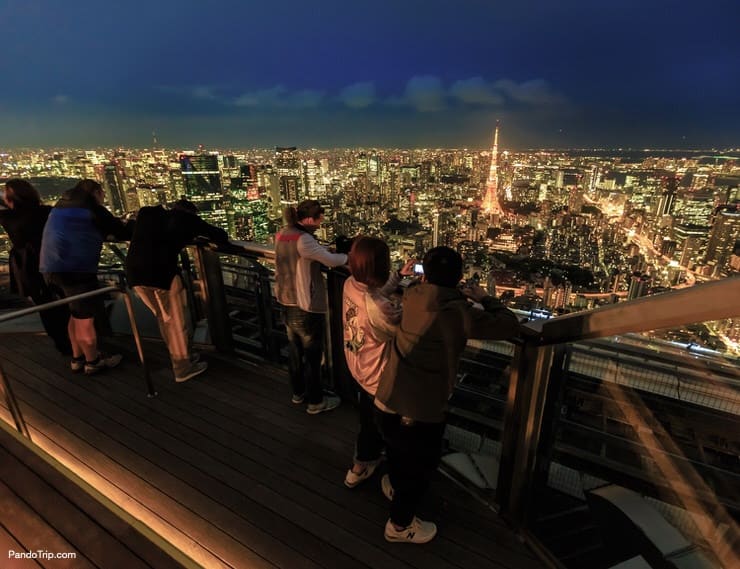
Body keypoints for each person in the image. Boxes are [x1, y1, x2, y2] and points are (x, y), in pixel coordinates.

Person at [374, 246, 521, 544]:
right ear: (457, 279)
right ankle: (399, 526)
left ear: (425, 275)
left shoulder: (411, 294)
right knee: (420, 468)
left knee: (398, 455)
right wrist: (483, 297)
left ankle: (394, 486)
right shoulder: (459, 313)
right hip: (418, 412)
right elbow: (508, 324)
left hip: (385, 397)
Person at [125, 199, 229, 382]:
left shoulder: (148, 215)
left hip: (134, 276)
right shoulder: (188, 220)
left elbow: (129, 230)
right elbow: (220, 235)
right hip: (161, 276)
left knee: (163, 318)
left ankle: (183, 356)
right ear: (190, 212)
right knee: (175, 322)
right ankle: (182, 367)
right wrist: (195, 233)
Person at [342, 236, 415, 487]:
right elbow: (409, 327)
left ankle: (359, 467)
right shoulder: (382, 308)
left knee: (367, 423)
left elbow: (373, 296)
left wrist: (398, 277)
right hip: (379, 378)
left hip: (357, 366)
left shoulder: (350, 284)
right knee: (391, 433)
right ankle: (396, 484)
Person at [40, 179, 133, 375]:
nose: (103, 198)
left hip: (50, 268)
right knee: (85, 318)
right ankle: (93, 361)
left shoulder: (61, 205)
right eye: (102, 194)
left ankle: (78, 358)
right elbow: (122, 230)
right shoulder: (91, 208)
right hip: (76, 270)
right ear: (97, 192)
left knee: (74, 314)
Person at [275, 199, 347, 414]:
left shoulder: (283, 233)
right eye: (319, 218)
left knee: (295, 353)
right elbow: (332, 261)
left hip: (285, 302)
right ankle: (316, 402)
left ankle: (299, 393)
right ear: (308, 219)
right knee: (313, 357)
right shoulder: (304, 239)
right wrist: (349, 256)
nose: (321, 222)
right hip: (304, 306)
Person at [0, 179, 72, 354]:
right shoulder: (46, 212)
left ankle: (62, 344)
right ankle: (77, 344)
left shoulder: (7, 217)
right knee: (65, 303)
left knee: (44, 306)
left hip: (26, 266)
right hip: (53, 260)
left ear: (10, 199)